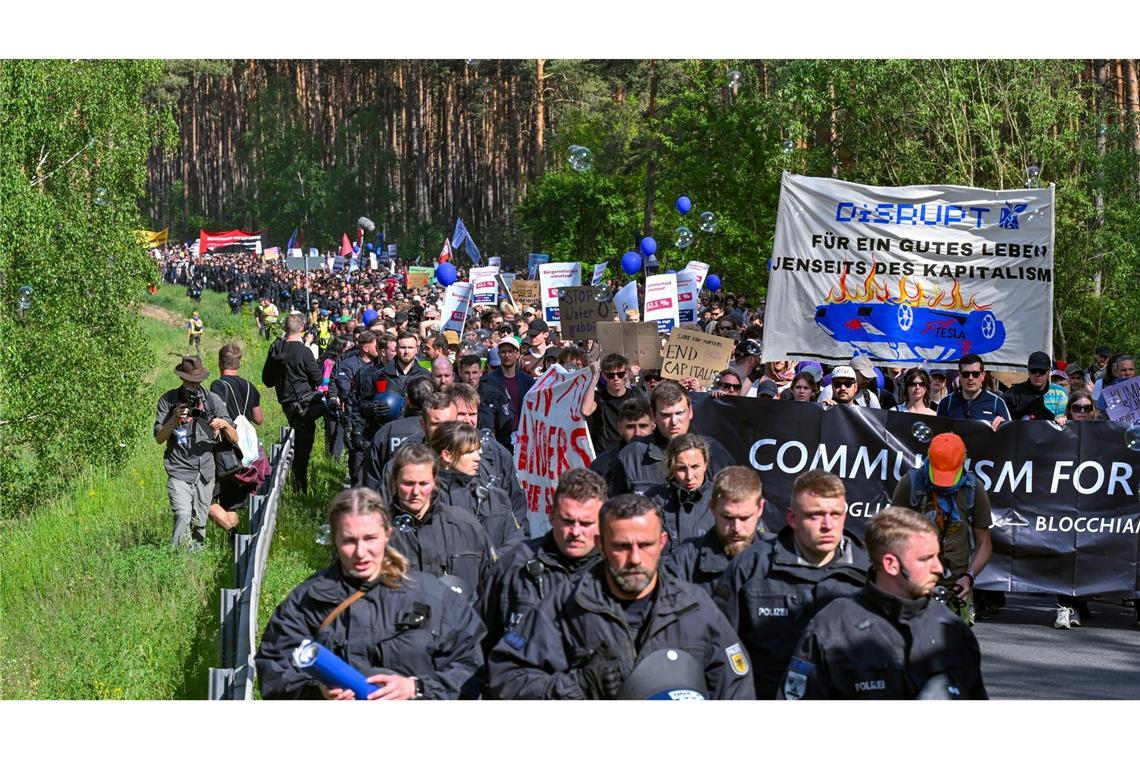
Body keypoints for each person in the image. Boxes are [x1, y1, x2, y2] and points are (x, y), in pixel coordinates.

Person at [486, 493, 755, 700]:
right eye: (622, 547)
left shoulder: (695, 609)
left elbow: (737, 691)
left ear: (662, 543)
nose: (635, 559)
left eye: (646, 545)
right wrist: (577, 686)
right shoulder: (565, 606)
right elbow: (506, 675)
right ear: (601, 544)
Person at [254, 487, 486, 700]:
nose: (361, 552)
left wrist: (417, 688)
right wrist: (316, 691)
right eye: (349, 541)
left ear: (388, 534)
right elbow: (273, 670)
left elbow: (474, 665)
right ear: (334, 539)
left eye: (370, 538)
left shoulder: (431, 595)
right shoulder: (307, 601)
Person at [778, 507, 987, 700]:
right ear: (891, 564)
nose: (939, 568)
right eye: (926, 558)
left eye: (938, 557)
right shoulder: (832, 628)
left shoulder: (951, 629)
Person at [713, 470, 868, 698]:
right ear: (792, 518)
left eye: (836, 514)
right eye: (815, 515)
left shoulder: (869, 572)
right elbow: (719, 646)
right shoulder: (751, 567)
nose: (828, 525)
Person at [483, 468, 606, 650]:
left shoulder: (617, 570)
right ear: (551, 515)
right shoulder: (514, 565)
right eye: (568, 521)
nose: (576, 532)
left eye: (586, 523)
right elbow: (473, 640)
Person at [891, 432, 994, 624]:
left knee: (954, 649)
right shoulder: (911, 483)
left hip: (956, 588)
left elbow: (984, 542)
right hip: (914, 586)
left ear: (963, 461)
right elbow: (889, 534)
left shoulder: (973, 488)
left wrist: (969, 577)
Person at [383, 443, 497, 606]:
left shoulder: (465, 525)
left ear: (435, 482)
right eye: (408, 483)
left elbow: (492, 582)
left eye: (423, 484)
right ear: (395, 481)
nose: (416, 492)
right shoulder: (377, 530)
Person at [154, 355, 237, 548]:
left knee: (199, 523)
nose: (193, 386)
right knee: (182, 515)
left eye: (197, 382)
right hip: (179, 469)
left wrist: (223, 424)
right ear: (182, 379)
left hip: (205, 472)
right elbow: (159, 438)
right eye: (190, 382)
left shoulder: (211, 400)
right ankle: (178, 558)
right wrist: (174, 419)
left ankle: (194, 563)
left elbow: (235, 438)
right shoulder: (168, 401)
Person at [607, 380, 734, 497]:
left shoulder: (715, 453)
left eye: (679, 413)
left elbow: (733, 503)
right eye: (666, 415)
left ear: (690, 412)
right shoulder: (631, 456)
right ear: (653, 416)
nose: (674, 421)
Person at [429, 421, 525, 556]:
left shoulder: (495, 496)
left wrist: (492, 560)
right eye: (469, 452)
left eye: (477, 450)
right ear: (447, 455)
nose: (477, 458)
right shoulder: (426, 496)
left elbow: (515, 539)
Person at [665, 466, 765, 595]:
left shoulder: (778, 561)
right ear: (712, 507)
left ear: (760, 508)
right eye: (728, 517)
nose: (737, 528)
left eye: (744, 518)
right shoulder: (684, 562)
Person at [262, 313, 328, 493]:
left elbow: (267, 380)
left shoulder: (275, 349)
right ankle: (300, 487)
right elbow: (318, 379)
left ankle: (296, 483)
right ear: (302, 329)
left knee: (297, 443)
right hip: (303, 404)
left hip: (287, 402)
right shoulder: (304, 351)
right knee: (303, 447)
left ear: (284, 329)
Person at [207, 343, 264, 532]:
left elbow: (216, 413)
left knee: (204, 499)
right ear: (238, 364)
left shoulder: (218, 385)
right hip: (244, 454)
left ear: (219, 363)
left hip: (224, 451)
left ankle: (233, 533)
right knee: (231, 503)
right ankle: (236, 542)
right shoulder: (249, 386)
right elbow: (258, 419)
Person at [644, 434, 715, 548]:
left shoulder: (720, 498)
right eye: (682, 468)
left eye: (695, 467)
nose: (689, 476)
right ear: (671, 467)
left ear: (705, 465)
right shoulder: (653, 501)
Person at [587, 353, 645, 454]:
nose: (616, 378)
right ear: (604, 376)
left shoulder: (635, 395)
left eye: (620, 374)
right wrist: (593, 379)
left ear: (626, 374)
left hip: (629, 453)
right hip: (605, 456)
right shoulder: (599, 397)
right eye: (611, 375)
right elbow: (586, 411)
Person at [482, 336, 535, 442]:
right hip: (499, 437)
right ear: (498, 354)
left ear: (517, 354)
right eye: (503, 352)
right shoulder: (488, 381)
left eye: (510, 351)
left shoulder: (527, 381)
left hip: (523, 435)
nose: (507, 355)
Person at [935, 353, 1009, 431]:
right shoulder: (946, 403)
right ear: (959, 375)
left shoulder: (997, 403)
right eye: (965, 374)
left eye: (975, 374)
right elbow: (939, 434)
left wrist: (1004, 426)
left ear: (983, 375)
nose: (970, 378)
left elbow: (1010, 435)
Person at [1003, 350, 1057, 420]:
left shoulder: (1058, 394)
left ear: (1049, 371)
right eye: (1033, 370)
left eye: (1042, 371)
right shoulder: (1014, 394)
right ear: (1028, 370)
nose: (1037, 374)